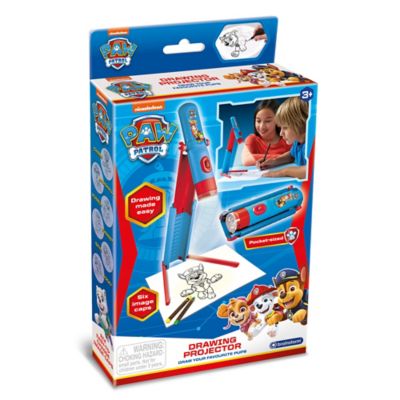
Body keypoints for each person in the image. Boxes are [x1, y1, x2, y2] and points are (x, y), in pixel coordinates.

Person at [257, 97, 308, 179]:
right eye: (281, 128)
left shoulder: (311, 146)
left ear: (301, 125)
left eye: (285, 128)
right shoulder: (298, 142)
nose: (281, 133)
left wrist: (283, 172)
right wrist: (274, 161)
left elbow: (309, 170)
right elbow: (291, 156)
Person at [241, 100, 292, 166]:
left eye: (268, 121)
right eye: (258, 121)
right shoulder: (252, 139)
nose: (262, 126)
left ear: (278, 121)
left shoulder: (287, 139)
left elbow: (296, 155)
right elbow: (246, 160)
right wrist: (285, 158)